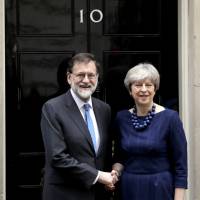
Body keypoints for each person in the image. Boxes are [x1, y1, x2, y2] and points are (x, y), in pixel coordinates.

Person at [40, 53, 116, 200]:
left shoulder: (104, 109)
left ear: (97, 78)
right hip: (65, 194)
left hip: (97, 194)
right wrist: (99, 176)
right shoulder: (52, 108)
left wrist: (111, 176)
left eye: (91, 75)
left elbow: (103, 154)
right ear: (69, 78)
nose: (86, 80)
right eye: (80, 75)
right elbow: (57, 157)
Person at [111, 63, 188, 200]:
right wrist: (115, 173)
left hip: (160, 188)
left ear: (155, 89)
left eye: (149, 85)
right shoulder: (121, 118)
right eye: (138, 85)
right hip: (128, 189)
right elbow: (119, 157)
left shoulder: (170, 118)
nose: (144, 90)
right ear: (130, 90)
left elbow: (180, 167)